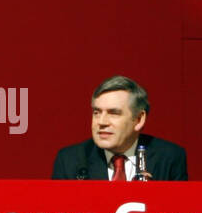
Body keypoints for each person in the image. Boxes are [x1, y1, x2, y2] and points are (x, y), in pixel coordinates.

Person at [51, 75, 187, 181]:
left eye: (113, 113)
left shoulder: (169, 157)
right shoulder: (70, 160)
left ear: (139, 119)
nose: (102, 122)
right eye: (97, 112)